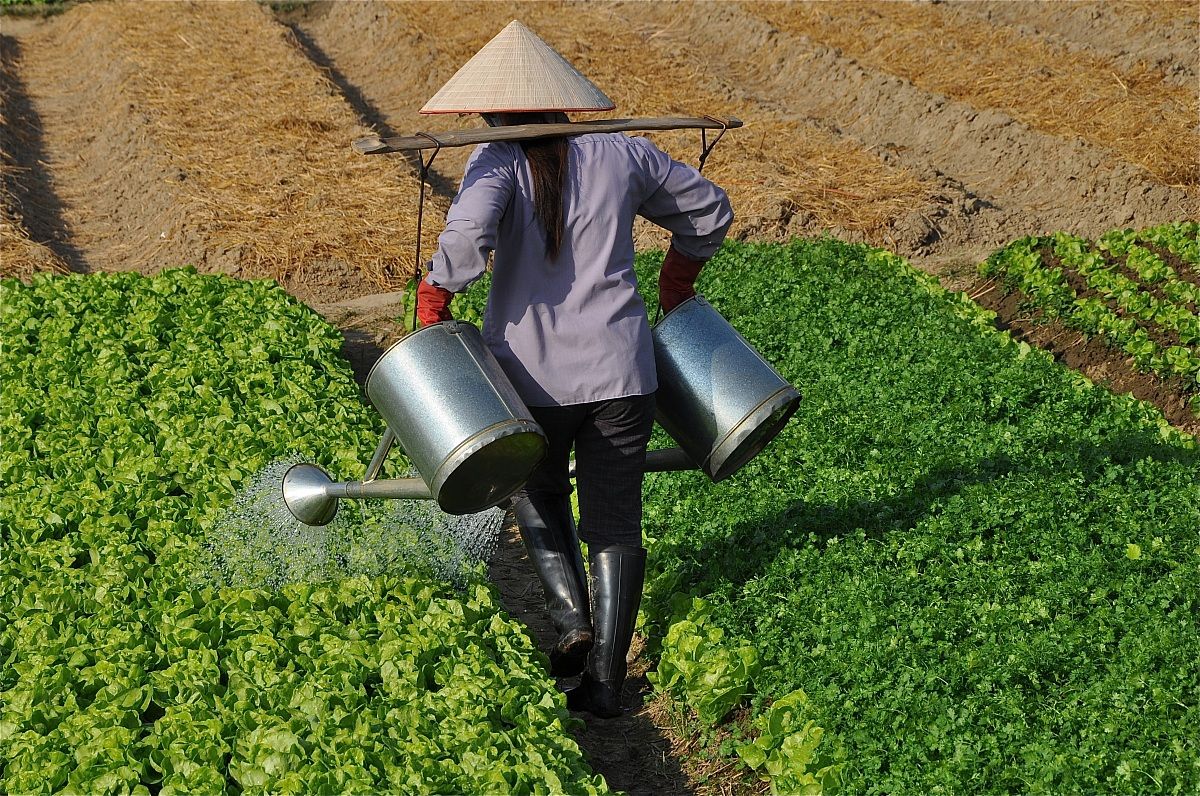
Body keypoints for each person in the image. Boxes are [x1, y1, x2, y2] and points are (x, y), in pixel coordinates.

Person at [414, 20, 733, 718]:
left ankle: (571, 623)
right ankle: (606, 684)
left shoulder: (496, 163)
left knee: (534, 490)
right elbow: (709, 212)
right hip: (625, 372)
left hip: (531, 376)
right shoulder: (624, 154)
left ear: (496, 112)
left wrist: (435, 298)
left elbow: (467, 237)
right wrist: (676, 286)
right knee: (616, 523)